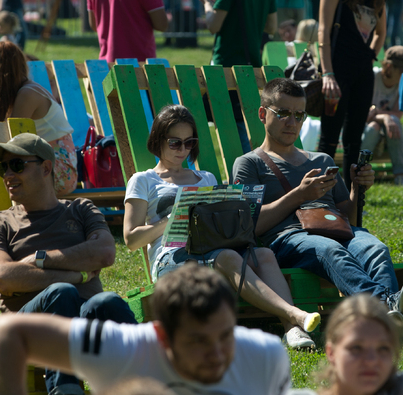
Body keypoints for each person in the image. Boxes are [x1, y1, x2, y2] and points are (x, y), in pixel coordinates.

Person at [123, 104, 320, 349]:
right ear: (158, 139)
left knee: (264, 255)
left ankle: (292, 332)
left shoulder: (206, 178)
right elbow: (131, 240)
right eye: (175, 143)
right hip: (170, 258)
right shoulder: (143, 180)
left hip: (211, 248)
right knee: (228, 257)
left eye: (189, 143)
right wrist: (169, 221)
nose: (183, 150)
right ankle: (296, 316)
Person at [231, 78, 403, 332]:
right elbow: (251, 227)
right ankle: (385, 310)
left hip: (337, 229)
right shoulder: (249, 164)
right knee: (329, 250)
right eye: (283, 113)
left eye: (299, 115)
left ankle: (384, 322)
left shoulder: (321, 159)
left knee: (375, 248)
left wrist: (356, 188)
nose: (292, 122)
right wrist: (298, 195)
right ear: (263, 114)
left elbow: (349, 218)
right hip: (289, 238)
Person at [0, 131, 137, 395]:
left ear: (46, 168)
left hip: (84, 320)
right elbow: (1, 277)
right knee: (60, 294)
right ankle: (65, 389)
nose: (8, 174)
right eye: (3, 167)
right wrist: (76, 276)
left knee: (107, 302)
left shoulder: (81, 209)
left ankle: (148, 381)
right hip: (28, 330)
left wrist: (40, 259)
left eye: (17, 165)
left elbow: (105, 253)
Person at [0, 264, 291, 395]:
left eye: (225, 335)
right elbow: (0, 332)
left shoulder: (264, 354)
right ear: (162, 334)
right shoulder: (125, 348)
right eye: (198, 341)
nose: (218, 353)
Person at [317, 0, 387, 182]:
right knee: (328, 139)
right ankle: (320, 197)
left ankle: (351, 201)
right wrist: (327, 73)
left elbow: (381, 33)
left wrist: (369, 56)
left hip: (362, 72)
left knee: (354, 141)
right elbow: (322, 31)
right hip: (336, 70)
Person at [202, 0, 277, 152]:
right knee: (246, 120)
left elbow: (213, 25)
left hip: (225, 63)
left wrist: (208, 6)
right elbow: (271, 27)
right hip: (251, 62)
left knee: (230, 125)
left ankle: (244, 174)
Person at [0, 41, 78, 197]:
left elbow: (12, 138)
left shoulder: (28, 94)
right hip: (37, 165)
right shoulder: (21, 92)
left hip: (56, 172)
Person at [361, 46, 403, 186]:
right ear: (389, 67)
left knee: (393, 120)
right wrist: (384, 117)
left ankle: (399, 175)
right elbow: (362, 115)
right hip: (362, 131)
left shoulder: (402, 85)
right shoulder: (371, 77)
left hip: (387, 132)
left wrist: (378, 113)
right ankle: (358, 171)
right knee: (374, 126)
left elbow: (397, 114)